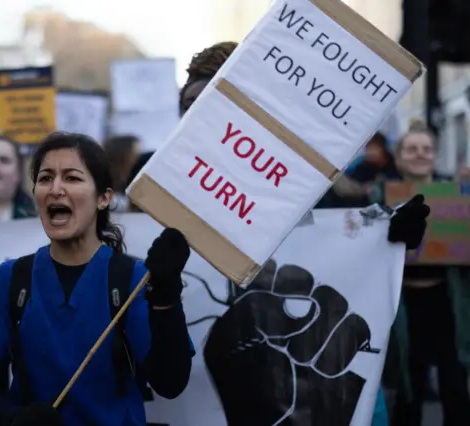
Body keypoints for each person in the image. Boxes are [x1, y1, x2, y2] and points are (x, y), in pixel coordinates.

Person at [127, 41, 432, 425]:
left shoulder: (320, 187)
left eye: (216, 97)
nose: (200, 113)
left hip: (318, 389)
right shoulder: (155, 195)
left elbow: (352, 253)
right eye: (190, 104)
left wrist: (390, 236)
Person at [0, 132, 194, 426]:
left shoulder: (133, 280)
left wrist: (167, 297)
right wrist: (14, 419)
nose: (56, 189)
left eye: (72, 178)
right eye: (45, 178)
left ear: (104, 197)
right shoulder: (8, 281)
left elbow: (170, 383)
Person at [381, 124, 470, 426]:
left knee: (456, 387)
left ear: (435, 156)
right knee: (408, 390)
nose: (420, 154)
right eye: (412, 149)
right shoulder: (381, 199)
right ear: (399, 158)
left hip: (447, 302)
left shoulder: (459, 195)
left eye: (427, 149)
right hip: (403, 305)